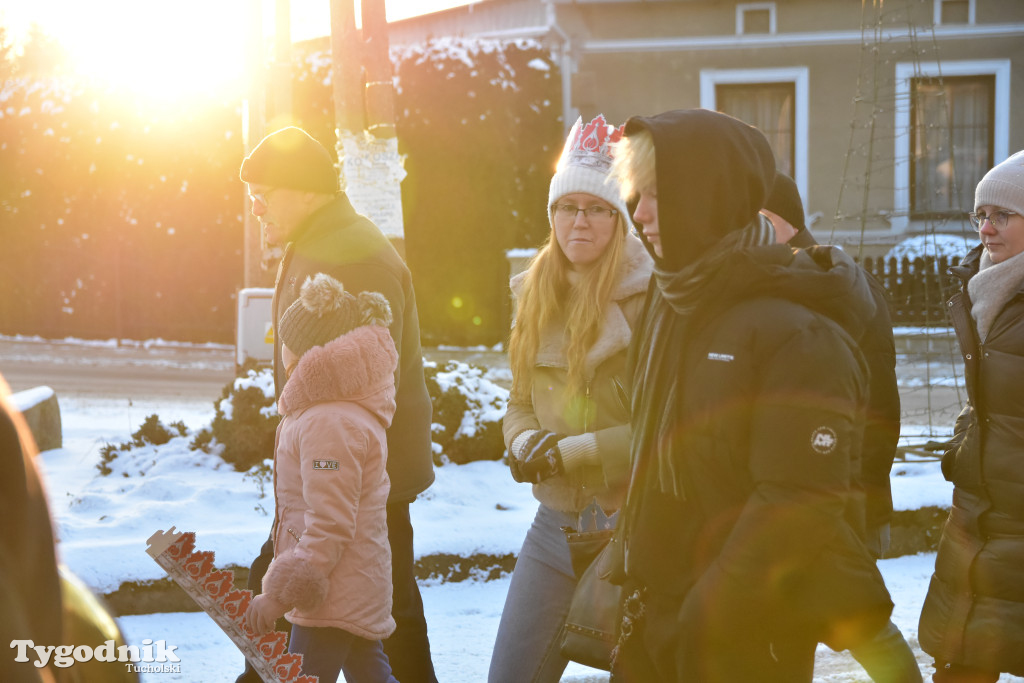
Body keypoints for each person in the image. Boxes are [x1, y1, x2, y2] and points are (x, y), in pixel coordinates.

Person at [608, 108, 893, 682]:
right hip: (657, 609)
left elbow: (795, 501)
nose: (639, 215)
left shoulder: (797, 328)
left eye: (658, 194)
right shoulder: (673, 302)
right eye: (637, 195)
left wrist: (707, 613)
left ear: (709, 195)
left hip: (741, 628)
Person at [238, 126, 438, 683]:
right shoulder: (320, 238)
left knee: (348, 613)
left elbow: (365, 369)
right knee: (369, 624)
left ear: (306, 190)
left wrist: (326, 453)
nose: (256, 209)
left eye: (265, 194)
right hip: (338, 467)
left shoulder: (350, 253)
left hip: (356, 476)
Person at [489, 114, 653, 683]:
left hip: (633, 527)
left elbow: (665, 426)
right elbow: (518, 400)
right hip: (555, 523)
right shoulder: (533, 295)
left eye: (596, 208)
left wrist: (575, 449)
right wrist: (526, 440)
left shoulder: (651, 298)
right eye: (566, 207)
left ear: (618, 218)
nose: (578, 221)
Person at [764, 172, 922, 683]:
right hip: (831, 496)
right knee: (810, 630)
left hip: (838, 499)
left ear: (773, 221)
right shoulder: (805, 277)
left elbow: (875, 407)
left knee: (859, 624)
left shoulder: (826, 283)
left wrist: (857, 500)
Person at [243, 273, 399, 683]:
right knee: (371, 673)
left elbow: (329, 522)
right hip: (347, 584)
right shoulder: (327, 411)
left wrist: (279, 595)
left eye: (285, 340)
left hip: (332, 592)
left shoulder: (329, 422)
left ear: (303, 354)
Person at [918, 150, 1024, 682]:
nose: (986, 227)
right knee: (962, 655)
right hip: (977, 511)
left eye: (1002, 215)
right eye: (980, 214)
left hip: (1018, 518)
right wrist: (966, 442)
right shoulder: (984, 286)